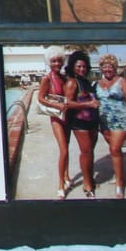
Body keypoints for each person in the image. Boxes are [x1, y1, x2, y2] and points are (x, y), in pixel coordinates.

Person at [61, 50, 102, 198]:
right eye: (78, 66)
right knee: (86, 152)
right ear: (72, 66)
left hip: (92, 122)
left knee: (90, 152)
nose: (82, 69)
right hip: (80, 123)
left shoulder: (86, 81)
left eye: (84, 66)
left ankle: (89, 178)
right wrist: (90, 104)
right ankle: (87, 184)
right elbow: (68, 103)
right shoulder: (72, 82)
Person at [95, 53, 126, 198]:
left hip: (120, 121)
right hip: (104, 122)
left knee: (114, 149)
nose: (108, 70)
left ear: (115, 68)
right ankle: (120, 175)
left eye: (110, 67)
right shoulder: (96, 84)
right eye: (105, 67)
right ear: (101, 68)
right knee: (115, 151)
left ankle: (120, 184)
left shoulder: (122, 82)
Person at [34, 49, 73, 199]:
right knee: (63, 149)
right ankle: (60, 185)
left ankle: (67, 176)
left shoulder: (64, 78)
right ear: (49, 62)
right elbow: (41, 98)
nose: (56, 63)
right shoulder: (47, 79)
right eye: (53, 61)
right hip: (56, 117)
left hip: (67, 116)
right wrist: (57, 106)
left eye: (59, 61)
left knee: (67, 148)